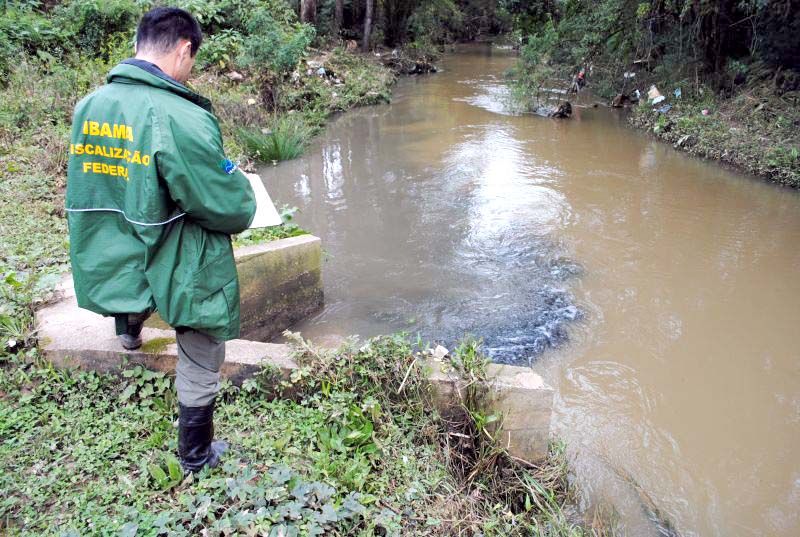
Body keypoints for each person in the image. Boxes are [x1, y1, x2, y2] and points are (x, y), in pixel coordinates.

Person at [65, 7, 256, 472]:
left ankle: (129, 332)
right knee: (203, 327)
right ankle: (195, 453)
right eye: (193, 58)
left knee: (129, 254)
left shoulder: (91, 104)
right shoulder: (178, 115)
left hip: (115, 234)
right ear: (184, 49)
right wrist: (243, 196)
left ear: (138, 44)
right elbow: (222, 204)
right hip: (168, 241)